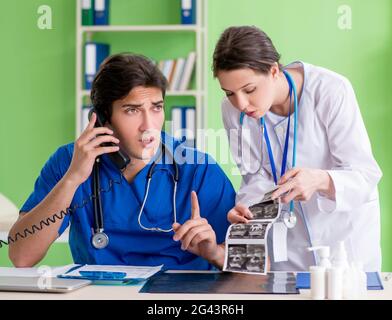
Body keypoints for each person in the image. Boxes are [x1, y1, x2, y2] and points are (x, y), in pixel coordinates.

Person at [8, 53, 235, 270]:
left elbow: (245, 261)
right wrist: (72, 180)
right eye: (132, 110)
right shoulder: (69, 162)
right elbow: (22, 256)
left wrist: (214, 252)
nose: (148, 125)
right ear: (104, 119)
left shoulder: (198, 169)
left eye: (156, 107)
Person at [212, 26, 382, 271]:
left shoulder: (331, 90)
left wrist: (320, 180)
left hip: (344, 242)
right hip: (289, 247)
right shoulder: (232, 111)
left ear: (273, 71)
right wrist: (247, 209)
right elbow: (255, 177)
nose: (241, 103)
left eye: (249, 90)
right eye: (229, 93)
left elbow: (365, 174)